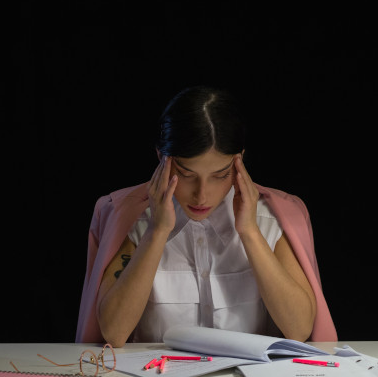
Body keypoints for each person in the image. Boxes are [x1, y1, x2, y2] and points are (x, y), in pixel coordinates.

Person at [76, 86, 336, 346]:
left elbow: (299, 329)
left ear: (239, 162)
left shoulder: (276, 219)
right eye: (187, 175)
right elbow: (113, 332)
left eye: (220, 175)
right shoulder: (125, 217)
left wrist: (249, 232)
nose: (202, 195)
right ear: (160, 157)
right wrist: (157, 231)